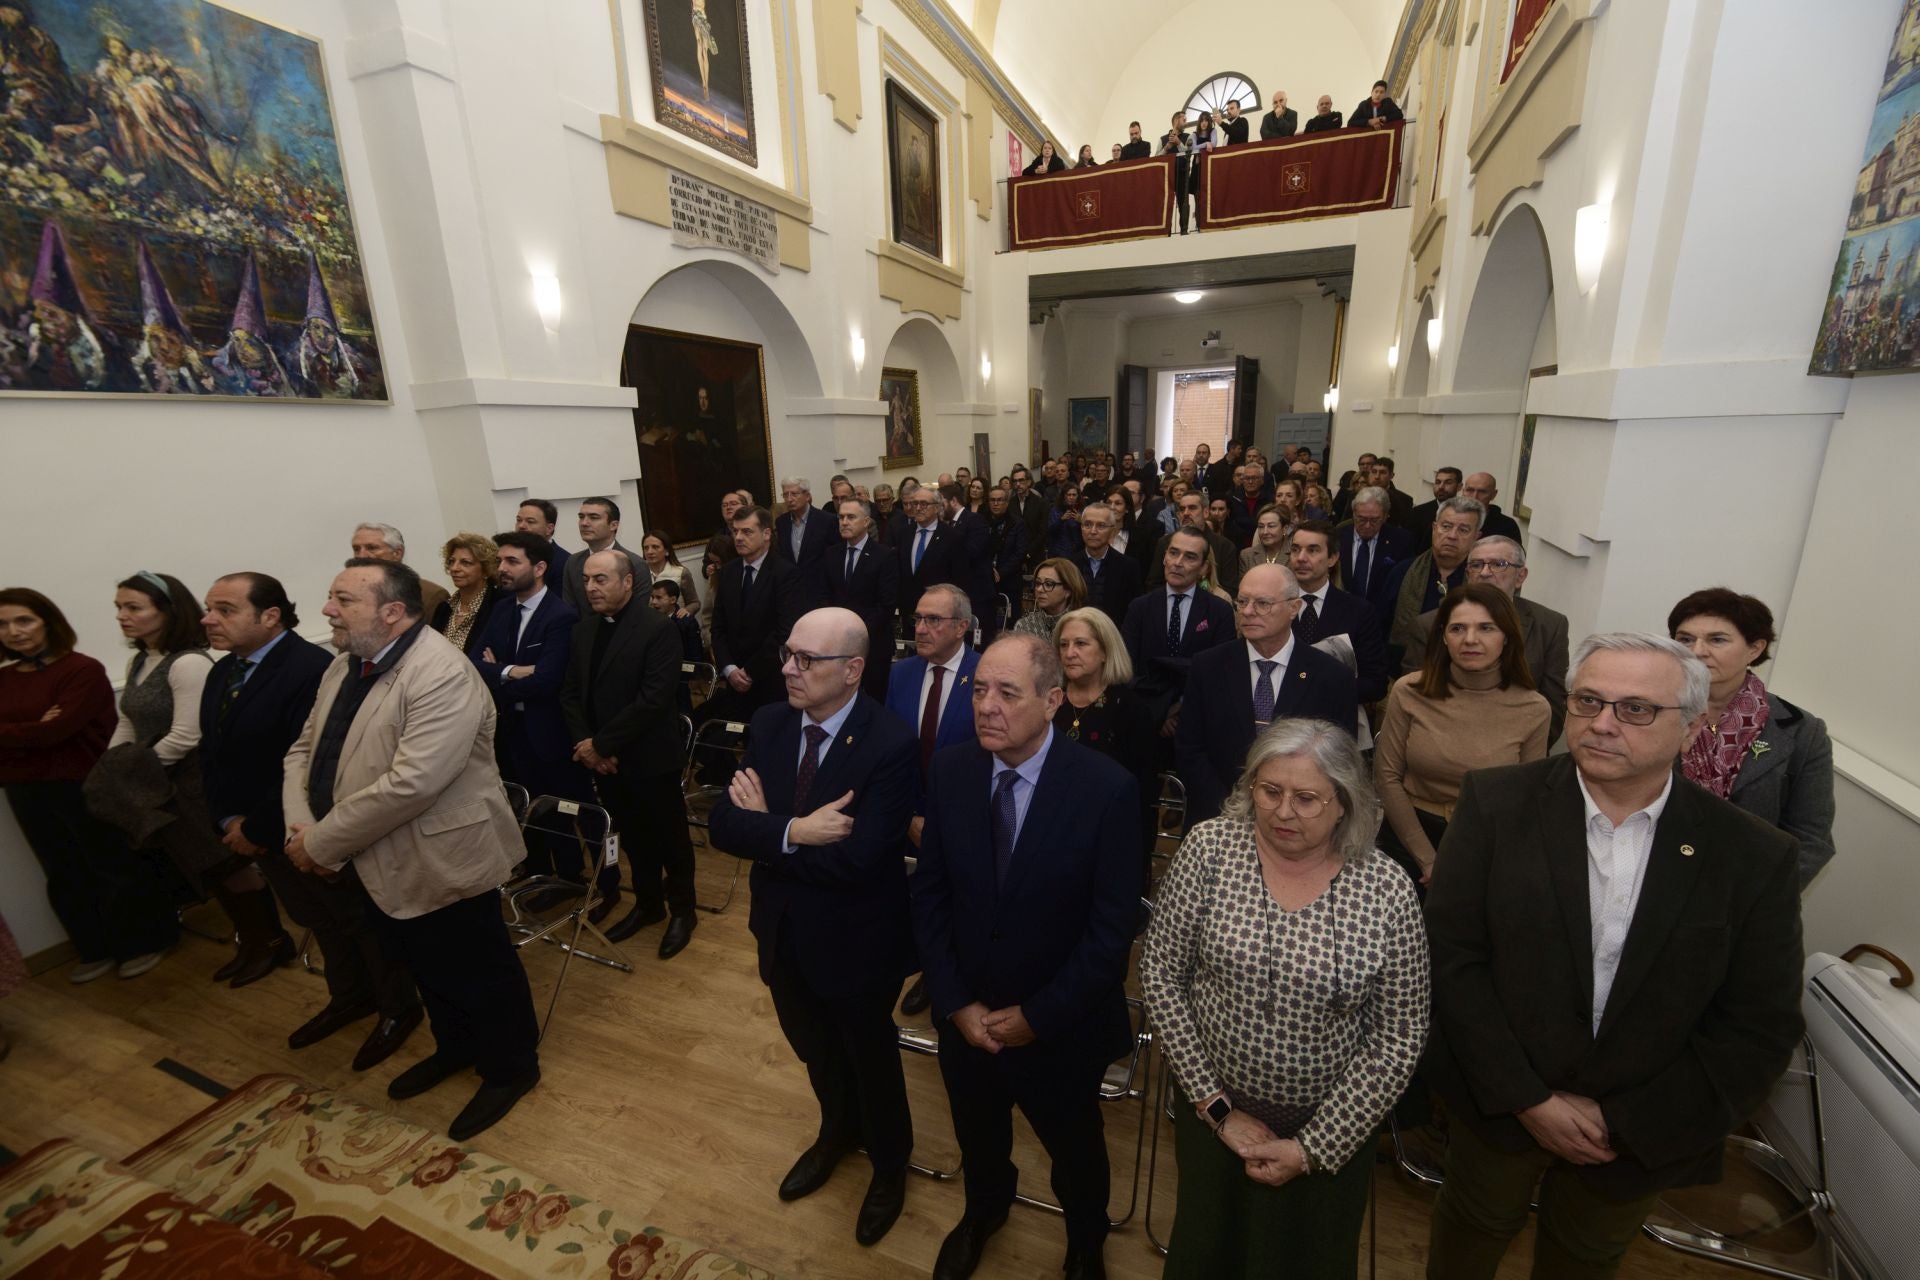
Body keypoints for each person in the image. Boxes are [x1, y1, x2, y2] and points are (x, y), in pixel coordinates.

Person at [1423, 633, 1806, 1278]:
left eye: (1635, 709)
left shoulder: (1752, 855)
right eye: (1588, 701)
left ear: (1691, 728)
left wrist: (1624, 1122)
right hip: (1502, 1102)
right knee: (1472, 1230)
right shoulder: (1495, 803)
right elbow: (1451, 960)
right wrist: (1528, 1098)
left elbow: (1757, 1025)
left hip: (1635, 1134)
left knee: (1585, 1257)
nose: (1602, 724)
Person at [1143, 719, 1428, 1278]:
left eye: (1306, 798)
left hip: (1333, 1130)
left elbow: (1399, 1036)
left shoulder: (1386, 888)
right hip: (1212, 1120)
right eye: (1269, 790)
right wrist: (1217, 1109)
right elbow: (1160, 975)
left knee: (1308, 1261)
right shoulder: (1209, 849)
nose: (1283, 812)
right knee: (1207, 1251)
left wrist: (1314, 1146)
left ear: (1343, 803)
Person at [910, 633, 1141, 1280]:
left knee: (1075, 1152)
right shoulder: (952, 770)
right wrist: (955, 1002)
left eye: (1007, 693)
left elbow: (1110, 933)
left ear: (1053, 702)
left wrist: (1036, 1017)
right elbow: (930, 895)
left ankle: (1086, 1242)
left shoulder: (1107, 789)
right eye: (979, 689)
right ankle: (983, 1211)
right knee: (978, 1134)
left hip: (1059, 1029)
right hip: (968, 1020)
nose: (986, 705)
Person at [284, 559, 540, 1142]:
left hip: (442, 854)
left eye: (343, 600)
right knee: (422, 962)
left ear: (392, 612)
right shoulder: (344, 665)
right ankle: (456, 1047)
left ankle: (511, 1068)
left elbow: (413, 783)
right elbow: (303, 751)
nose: (327, 610)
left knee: (479, 968)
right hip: (369, 851)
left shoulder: (441, 672)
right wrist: (301, 824)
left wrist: (320, 842)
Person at [710, 608, 919, 1246]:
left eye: (807, 659)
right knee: (816, 1051)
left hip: (857, 940)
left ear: (853, 670)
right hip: (780, 930)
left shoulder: (890, 743)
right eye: (787, 653)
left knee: (869, 1058)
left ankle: (890, 1164)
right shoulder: (772, 723)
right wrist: (796, 830)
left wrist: (766, 831)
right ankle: (837, 1133)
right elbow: (722, 826)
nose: (788, 669)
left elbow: (858, 861)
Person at [199, 571, 422, 1057]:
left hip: (312, 827)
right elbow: (213, 755)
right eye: (209, 609)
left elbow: (315, 762)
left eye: (225, 610)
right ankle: (350, 996)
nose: (208, 620)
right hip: (267, 832)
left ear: (270, 616)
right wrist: (227, 820)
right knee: (318, 920)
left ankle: (397, 1007)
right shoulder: (223, 671)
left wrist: (263, 827)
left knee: (359, 923)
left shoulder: (309, 668)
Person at [102, 571, 291, 982]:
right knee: (208, 872)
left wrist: (135, 772)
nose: (122, 616)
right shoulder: (140, 661)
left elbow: (188, 735)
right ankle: (250, 941)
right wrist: (113, 764)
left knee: (231, 868)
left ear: (168, 611)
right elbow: (128, 721)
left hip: (191, 784)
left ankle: (272, 941)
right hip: (159, 785)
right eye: (119, 607)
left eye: (133, 607)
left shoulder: (187, 663)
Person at [0, 588, 177, 982]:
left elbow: (57, 731)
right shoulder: (4, 678)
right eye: (2, 624)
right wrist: (32, 729)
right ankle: (94, 948)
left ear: (48, 622)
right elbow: (42, 734)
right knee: (61, 870)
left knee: (109, 864)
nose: (13, 631)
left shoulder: (82, 669)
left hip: (85, 782)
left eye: (24, 620)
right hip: (23, 788)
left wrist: (23, 732)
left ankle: (143, 942)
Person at [561, 550, 697, 958]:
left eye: (600, 579)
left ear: (626, 583)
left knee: (670, 839)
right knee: (632, 838)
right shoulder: (583, 630)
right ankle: (648, 904)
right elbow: (570, 694)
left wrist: (601, 745)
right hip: (606, 763)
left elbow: (653, 699)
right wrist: (589, 747)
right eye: (587, 580)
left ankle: (683, 911)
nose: (590, 587)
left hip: (650, 757)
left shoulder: (657, 629)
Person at [1375, 585, 1549, 887]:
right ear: (1444, 636)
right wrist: (1428, 860)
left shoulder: (1534, 709)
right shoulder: (1409, 691)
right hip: (1408, 839)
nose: (1470, 639)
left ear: (1507, 636)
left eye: (1486, 628)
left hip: (1486, 847)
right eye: (1457, 628)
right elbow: (1386, 777)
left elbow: (1526, 800)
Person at [1669, 588, 1836, 887]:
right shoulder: (1651, 711)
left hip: (1748, 890)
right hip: (1655, 877)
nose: (1697, 651)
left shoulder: (1802, 731)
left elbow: (1812, 838)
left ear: (1755, 649)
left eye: (1717, 640)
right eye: (1685, 639)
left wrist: (1757, 899)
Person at [473, 532, 605, 894]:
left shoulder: (560, 616)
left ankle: (604, 883)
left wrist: (498, 671)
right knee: (536, 811)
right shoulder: (502, 609)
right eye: (500, 561)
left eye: (512, 561)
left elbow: (547, 682)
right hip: (513, 730)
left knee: (577, 810)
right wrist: (513, 670)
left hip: (553, 732)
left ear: (540, 567)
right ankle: (559, 878)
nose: (502, 568)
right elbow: (473, 663)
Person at [1177, 564, 1360, 825]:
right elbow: (1190, 749)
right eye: (1242, 602)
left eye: (1262, 603)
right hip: (1218, 818)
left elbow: (1340, 762)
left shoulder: (1332, 677)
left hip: (1298, 824)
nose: (1247, 611)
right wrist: (1231, 809)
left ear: (1294, 608)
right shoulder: (1207, 667)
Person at [1402, 535, 1571, 743]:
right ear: (1468, 574)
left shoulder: (1550, 625)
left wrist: (1508, 748)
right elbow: (1416, 699)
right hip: (1441, 742)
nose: (1484, 573)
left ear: (1520, 576)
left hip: (1516, 747)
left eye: (1498, 565)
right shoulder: (1430, 625)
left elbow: (1553, 708)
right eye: (1476, 565)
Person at [1058, 606, 1158, 864]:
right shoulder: (1048, 701)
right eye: (1063, 644)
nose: (1069, 653)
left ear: (1105, 651)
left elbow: (1144, 792)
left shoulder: (1130, 709)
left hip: (1109, 839)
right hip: (1052, 835)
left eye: (1081, 644)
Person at [1122, 527, 1237, 738]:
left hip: (1199, 723)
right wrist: (1160, 712)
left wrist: (1181, 707)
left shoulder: (1220, 612)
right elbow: (1126, 670)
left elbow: (1220, 672)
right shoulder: (1139, 608)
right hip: (1144, 724)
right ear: (1164, 557)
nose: (1178, 562)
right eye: (1173, 553)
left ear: (1204, 568)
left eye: (1190, 557)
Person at [708, 505, 802, 724]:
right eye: (735, 531)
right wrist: (729, 669)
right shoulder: (728, 572)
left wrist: (749, 671)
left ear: (766, 534)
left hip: (769, 679)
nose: (739, 537)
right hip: (733, 679)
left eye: (747, 531)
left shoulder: (785, 573)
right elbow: (718, 626)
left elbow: (784, 631)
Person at [1288, 520, 1391, 705]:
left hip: (1334, 712)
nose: (1301, 558)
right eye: (1295, 549)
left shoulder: (1359, 612)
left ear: (1332, 558)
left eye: (1312, 550)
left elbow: (1376, 683)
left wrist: (1321, 688)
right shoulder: (1274, 604)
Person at [1378, 496, 1484, 665]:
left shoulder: (1482, 580)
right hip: (1403, 668)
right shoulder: (1403, 572)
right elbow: (1381, 627)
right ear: (1435, 529)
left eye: (1463, 530)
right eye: (1446, 526)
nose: (1452, 536)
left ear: (1476, 537)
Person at [814, 498, 899, 700]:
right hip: (836, 644)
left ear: (866, 521)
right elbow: (823, 596)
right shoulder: (831, 554)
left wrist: (855, 632)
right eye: (841, 517)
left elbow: (886, 605)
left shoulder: (884, 555)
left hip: (873, 645)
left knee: (873, 701)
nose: (844, 522)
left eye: (851, 517)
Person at [1148, 491, 1241, 600]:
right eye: (1182, 509)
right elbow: (1153, 584)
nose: (1186, 513)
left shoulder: (1224, 546)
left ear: (1206, 512)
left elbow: (1230, 588)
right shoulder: (1165, 542)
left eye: (1192, 508)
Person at [562, 497, 645, 615]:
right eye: (581, 517)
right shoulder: (573, 562)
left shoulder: (635, 564)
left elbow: (639, 613)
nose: (584, 523)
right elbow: (569, 610)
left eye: (593, 517)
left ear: (613, 525)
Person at [351, 522, 449, 619]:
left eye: (372, 548)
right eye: (356, 549)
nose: (361, 555)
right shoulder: (348, 594)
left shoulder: (429, 595)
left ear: (397, 554)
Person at [1337, 487, 1414, 607]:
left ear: (1385, 516)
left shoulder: (1401, 540)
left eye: (1374, 520)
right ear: (1353, 513)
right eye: (1361, 519)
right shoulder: (1337, 537)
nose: (1367, 526)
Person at [429, 532, 502, 655]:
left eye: (465, 563)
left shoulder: (499, 606)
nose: (454, 568)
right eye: (452, 561)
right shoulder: (444, 608)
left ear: (486, 570)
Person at [1071, 501, 1144, 626]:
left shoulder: (1128, 566)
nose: (1093, 531)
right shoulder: (1069, 564)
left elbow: (1133, 611)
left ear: (1112, 531)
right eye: (1087, 524)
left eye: (1101, 526)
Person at [777, 477, 837, 575]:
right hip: (791, 581)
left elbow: (835, 557)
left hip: (819, 581)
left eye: (794, 494)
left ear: (807, 496)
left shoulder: (826, 520)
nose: (789, 499)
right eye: (785, 495)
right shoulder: (781, 522)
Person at [1014, 558, 1086, 638]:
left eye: (1048, 584)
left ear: (1068, 590)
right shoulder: (1025, 626)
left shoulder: (1085, 625)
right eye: (1038, 583)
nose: (1039, 589)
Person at [639, 529, 701, 620]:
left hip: (674, 623)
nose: (650, 552)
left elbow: (695, 603)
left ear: (667, 550)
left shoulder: (681, 572)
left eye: (655, 547)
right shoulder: (638, 573)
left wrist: (687, 610)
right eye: (646, 548)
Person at [515, 499, 572, 584]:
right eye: (519, 520)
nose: (521, 526)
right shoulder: (508, 556)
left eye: (530, 521)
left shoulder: (565, 562)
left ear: (549, 528)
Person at [1407, 467, 1463, 552]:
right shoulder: (1418, 512)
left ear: (1459, 487)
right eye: (1438, 482)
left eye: (1448, 482)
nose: (1441, 487)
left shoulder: (1464, 513)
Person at [1460, 472, 1524, 542]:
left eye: (1482, 492)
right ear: (1463, 492)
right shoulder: (1452, 517)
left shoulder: (1507, 525)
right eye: (1470, 490)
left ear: (1493, 494)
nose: (1474, 497)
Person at [1162, 111, 1195, 234]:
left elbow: (1189, 153)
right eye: (1183, 120)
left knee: (1183, 204)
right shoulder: (1163, 139)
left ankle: (1184, 231)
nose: (1185, 122)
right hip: (1167, 177)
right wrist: (1166, 148)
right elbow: (1156, 157)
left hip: (1182, 176)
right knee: (1167, 205)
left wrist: (1178, 143)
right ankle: (1166, 233)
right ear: (1176, 121)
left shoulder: (1189, 137)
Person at [1239, 502, 1291, 576]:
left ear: (1285, 529)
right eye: (1261, 526)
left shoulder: (1294, 554)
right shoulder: (1247, 556)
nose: (1265, 532)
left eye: (1271, 526)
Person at [1047, 486, 1084, 559]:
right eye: (1069, 495)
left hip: (1078, 551)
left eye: (1074, 495)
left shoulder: (1083, 510)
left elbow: (1089, 531)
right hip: (1058, 552)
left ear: (1078, 496)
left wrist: (1082, 522)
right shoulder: (1056, 510)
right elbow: (1050, 530)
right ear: (1064, 496)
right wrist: (1061, 520)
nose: (1071, 497)